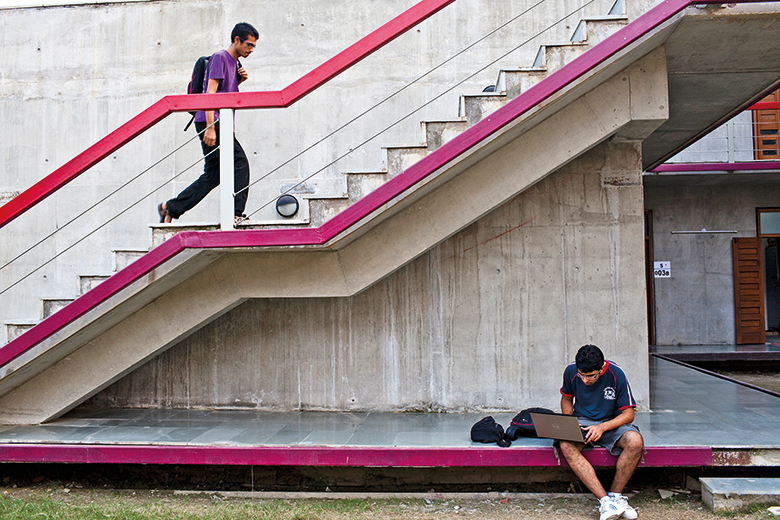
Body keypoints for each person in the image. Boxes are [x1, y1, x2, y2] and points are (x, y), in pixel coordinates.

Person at [158, 22, 258, 225]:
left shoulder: (234, 63)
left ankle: (171, 208)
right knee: (240, 163)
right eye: (249, 44)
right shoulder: (220, 58)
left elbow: (223, 93)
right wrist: (211, 128)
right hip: (212, 121)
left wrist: (239, 82)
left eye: (254, 46)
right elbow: (209, 94)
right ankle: (235, 214)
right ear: (237, 40)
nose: (251, 49)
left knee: (213, 174)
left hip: (214, 120)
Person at [559, 344, 644, 520]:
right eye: (581, 375)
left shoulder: (616, 373)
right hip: (582, 422)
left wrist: (603, 427)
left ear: (601, 368)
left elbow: (628, 414)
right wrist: (568, 423)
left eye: (590, 376)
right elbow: (566, 398)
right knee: (566, 445)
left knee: (635, 441)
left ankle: (616, 496)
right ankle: (605, 501)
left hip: (611, 423)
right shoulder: (571, 371)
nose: (585, 380)